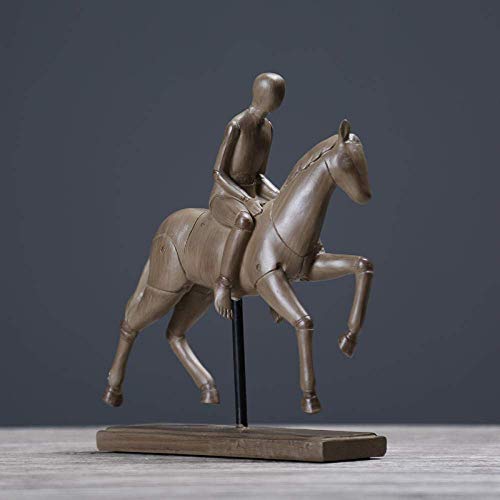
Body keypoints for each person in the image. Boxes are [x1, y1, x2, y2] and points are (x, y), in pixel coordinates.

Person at [209, 72, 285, 319]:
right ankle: (223, 283)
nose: (280, 98)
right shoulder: (237, 126)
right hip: (226, 195)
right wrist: (246, 200)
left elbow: (259, 176)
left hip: (252, 194)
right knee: (244, 220)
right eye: (276, 93)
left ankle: (275, 287)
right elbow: (218, 173)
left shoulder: (268, 129)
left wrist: (281, 195)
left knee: (281, 215)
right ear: (261, 93)